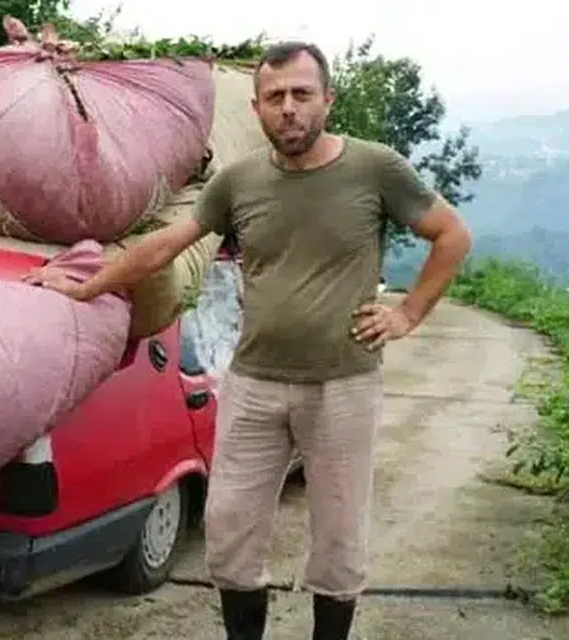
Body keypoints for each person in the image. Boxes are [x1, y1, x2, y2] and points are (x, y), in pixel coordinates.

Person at [24, 41, 471, 639]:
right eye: (275, 96)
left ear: (328, 100)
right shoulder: (239, 181)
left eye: (301, 94)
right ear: (256, 108)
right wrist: (86, 286)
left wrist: (408, 313)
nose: (289, 108)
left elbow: (451, 235)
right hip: (254, 384)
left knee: (339, 539)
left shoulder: (375, 168)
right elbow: (166, 245)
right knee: (230, 531)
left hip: (343, 386)